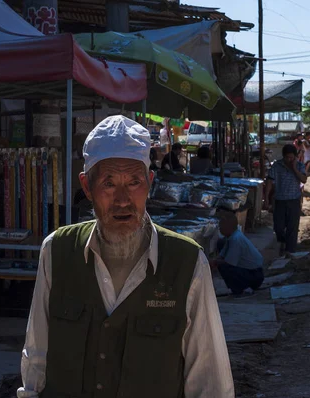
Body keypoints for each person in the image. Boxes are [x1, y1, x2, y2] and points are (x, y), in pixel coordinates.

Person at [18, 116, 233, 398]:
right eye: (109, 183)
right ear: (87, 187)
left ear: (150, 182)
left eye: (134, 182)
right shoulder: (56, 252)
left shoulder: (188, 263)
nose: (123, 200)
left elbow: (210, 383)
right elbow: (35, 360)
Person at [266, 144, 307, 256]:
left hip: (294, 200)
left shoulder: (299, 166)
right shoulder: (277, 166)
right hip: (279, 200)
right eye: (287, 157)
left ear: (295, 157)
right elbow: (269, 181)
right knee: (278, 227)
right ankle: (283, 241)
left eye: (291, 157)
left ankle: (290, 252)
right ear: (283, 156)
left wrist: (294, 168)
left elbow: (304, 179)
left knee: (292, 228)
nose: (289, 159)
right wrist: (266, 198)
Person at [212, 212, 264, 295]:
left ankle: (241, 289)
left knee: (224, 267)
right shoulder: (231, 237)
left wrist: (214, 262)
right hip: (252, 272)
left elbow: (229, 262)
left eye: (221, 226)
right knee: (220, 248)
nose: (220, 229)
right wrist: (215, 260)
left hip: (255, 275)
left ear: (228, 227)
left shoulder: (236, 239)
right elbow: (222, 255)